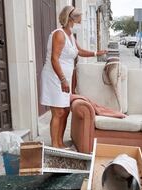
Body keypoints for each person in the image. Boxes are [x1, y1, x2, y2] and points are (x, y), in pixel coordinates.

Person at [40, 6, 107, 148]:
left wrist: (96, 53)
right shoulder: (59, 34)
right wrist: (63, 80)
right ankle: (55, 145)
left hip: (65, 77)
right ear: (70, 17)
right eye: (78, 14)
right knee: (58, 112)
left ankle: (60, 142)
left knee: (65, 111)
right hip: (55, 77)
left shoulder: (70, 35)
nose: (81, 16)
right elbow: (54, 59)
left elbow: (79, 51)